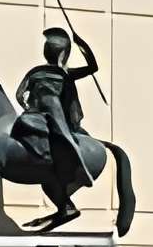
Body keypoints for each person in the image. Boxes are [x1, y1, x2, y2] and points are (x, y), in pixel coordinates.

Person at [13, 27, 100, 186]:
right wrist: (82, 45)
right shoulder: (66, 74)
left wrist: (28, 109)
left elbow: (19, 95)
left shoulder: (36, 72)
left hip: (38, 117)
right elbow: (93, 67)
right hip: (59, 120)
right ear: (63, 54)